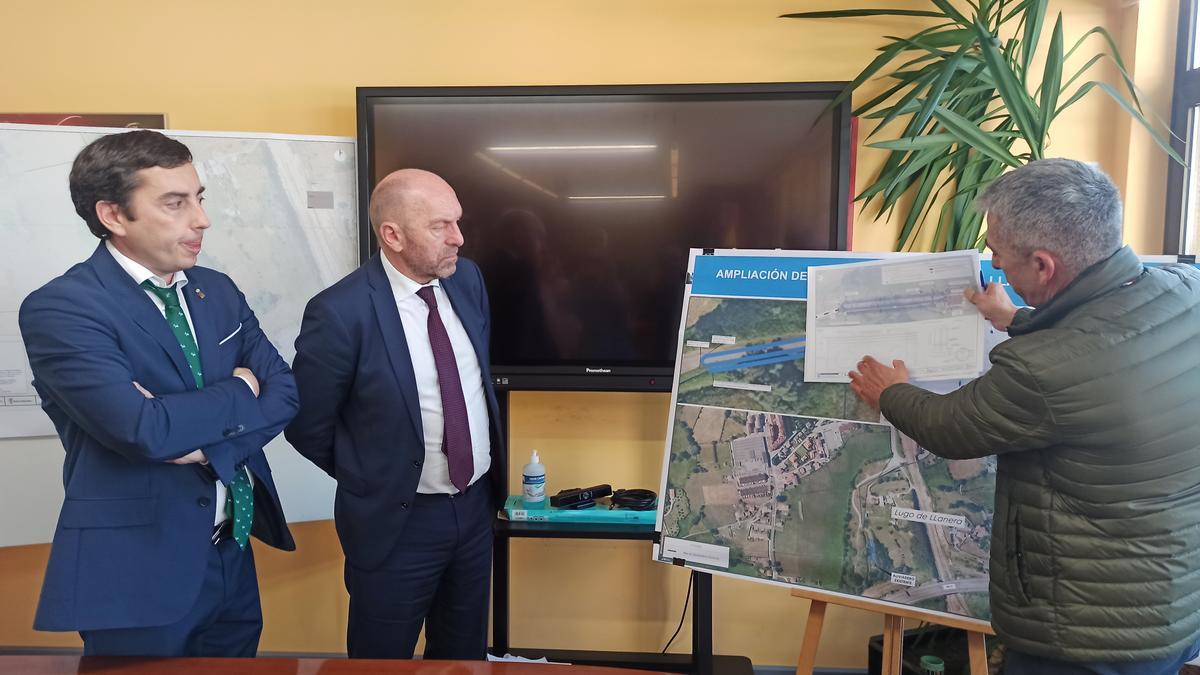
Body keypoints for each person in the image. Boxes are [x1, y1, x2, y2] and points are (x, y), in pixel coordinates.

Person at [848, 158, 1200, 674]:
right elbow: (1101, 337)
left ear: (1042, 264)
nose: (994, 265)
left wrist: (892, 392)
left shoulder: (1043, 370)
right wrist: (1015, 316)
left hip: (1083, 631)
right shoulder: (1183, 290)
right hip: (1169, 603)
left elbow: (951, 427)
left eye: (997, 254)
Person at [19, 130, 298, 656]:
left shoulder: (216, 289)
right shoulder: (63, 308)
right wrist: (240, 388)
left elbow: (284, 392)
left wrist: (193, 429)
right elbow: (146, 432)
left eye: (199, 198)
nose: (201, 220)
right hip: (135, 569)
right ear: (113, 215)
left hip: (231, 553)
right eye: (175, 203)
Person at [286, 168, 505, 660]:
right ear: (393, 235)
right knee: (381, 658)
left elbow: (472, 384)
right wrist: (371, 474)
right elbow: (306, 422)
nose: (459, 238)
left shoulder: (467, 281)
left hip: (472, 510)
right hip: (397, 522)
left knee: (463, 653)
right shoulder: (340, 312)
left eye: (458, 222)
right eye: (440, 226)